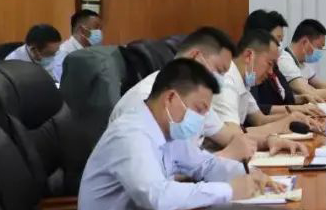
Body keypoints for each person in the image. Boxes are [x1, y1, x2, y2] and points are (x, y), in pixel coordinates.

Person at [78, 58, 283, 210]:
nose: (201, 120)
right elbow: (157, 196)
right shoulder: (130, 134)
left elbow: (205, 165)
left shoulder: (168, 128)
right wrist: (229, 190)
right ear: (170, 98)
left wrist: (248, 174)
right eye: (199, 109)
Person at [109, 26, 300, 162]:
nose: (221, 80)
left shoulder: (196, 100)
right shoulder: (145, 99)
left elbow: (229, 136)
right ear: (195, 57)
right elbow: (159, 181)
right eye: (219, 70)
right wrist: (225, 156)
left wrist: (268, 141)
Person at [214, 29, 324, 149]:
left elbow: (259, 119)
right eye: (269, 63)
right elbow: (235, 137)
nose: (271, 72)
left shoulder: (243, 81)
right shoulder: (226, 83)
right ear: (249, 56)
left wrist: (292, 118)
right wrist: (280, 126)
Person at [243, 10, 321, 117]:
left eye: (281, 40)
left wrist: (300, 99)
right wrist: (293, 109)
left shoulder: (273, 64)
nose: (279, 45)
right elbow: (255, 109)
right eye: (277, 39)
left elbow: (284, 97)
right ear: (261, 37)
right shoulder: (252, 68)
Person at [54, 9, 103, 82]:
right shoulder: (65, 53)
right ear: (82, 30)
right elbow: (66, 83)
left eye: (100, 29)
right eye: (96, 28)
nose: (99, 32)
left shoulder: (92, 51)